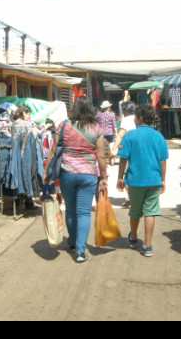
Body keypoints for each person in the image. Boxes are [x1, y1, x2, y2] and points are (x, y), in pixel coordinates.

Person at [43, 96, 108, 263]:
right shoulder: (96, 129)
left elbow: (53, 151)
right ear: (90, 109)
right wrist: (103, 176)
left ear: (74, 109)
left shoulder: (64, 125)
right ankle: (80, 250)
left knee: (70, 210)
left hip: (67, 173)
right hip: (88, 175)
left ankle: (72, 242)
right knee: (84, 212)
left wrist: (46, 172)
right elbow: (101, 155)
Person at [116, 103, 168, 257]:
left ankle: (132, 238)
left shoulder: (130, 136)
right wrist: (163, 179)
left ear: (139, 118)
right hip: (153, 179)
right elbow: (163, 160)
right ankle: (147, 245)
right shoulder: (158, 136)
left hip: (135, 180)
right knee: (150, 212)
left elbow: (123, 159)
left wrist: (120, 178)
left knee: (135, 211)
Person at [112, 100, 136, 207]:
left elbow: (120, 135)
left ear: (125, 110)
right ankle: (133, 198)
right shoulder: (137, 118)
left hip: (128, 151)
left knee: (125, 176)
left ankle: (133, 198)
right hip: (138, 150)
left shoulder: (126, 120)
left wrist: (113, 149)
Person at [96, 100, 117, 165]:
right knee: (110, 146)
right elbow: (114, 125)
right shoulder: (112, 114)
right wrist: (116, 133)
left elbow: (96, 123)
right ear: (108, 107)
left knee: (102, 147)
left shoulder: (98, 114)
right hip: (110, 133)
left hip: (101, 133)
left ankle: (103, 159)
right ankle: (110, 160)